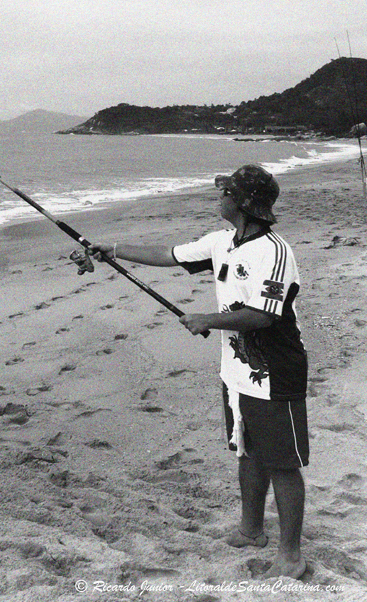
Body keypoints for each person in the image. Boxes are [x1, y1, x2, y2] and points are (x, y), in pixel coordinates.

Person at [90, 164, 308, 581]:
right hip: (236, 367)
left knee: (282, 461)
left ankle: (291, 555)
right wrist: (113, 249)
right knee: (247, 447)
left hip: (275, 368)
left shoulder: (275, 252)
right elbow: (169, 255)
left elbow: (263, 316)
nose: (219, 196)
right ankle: (251, 530)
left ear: (242, 203)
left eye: (225, 191)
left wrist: (206, 318)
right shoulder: (222, 242)